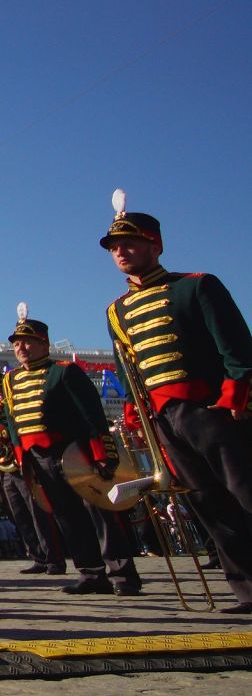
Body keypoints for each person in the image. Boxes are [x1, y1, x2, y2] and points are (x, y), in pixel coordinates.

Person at [101, 197, 252, 614]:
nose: (120, 250)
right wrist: (136, 413)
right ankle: (247, 588)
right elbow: (128, 367)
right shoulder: (116, 311)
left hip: (212, 409)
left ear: (155, 244)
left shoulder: (197, 285)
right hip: (165, 420)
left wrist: (235, 396)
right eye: (114, 245)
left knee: (245, 492)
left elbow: (236, 348)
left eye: (129, 242)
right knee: (207, 502)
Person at [0, 308, 142, 596]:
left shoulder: (63, 371)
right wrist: (19, 456)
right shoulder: (10, 380)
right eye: (16, 343)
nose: (21, 348)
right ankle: (90, 573)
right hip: (37, 458)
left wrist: (102, 453)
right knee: (66, 516)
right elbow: (14, 422)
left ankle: (122, 574)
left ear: (44, 344)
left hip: (73, 453)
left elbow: (92, 416)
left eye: (27, 342)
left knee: (100, 512)